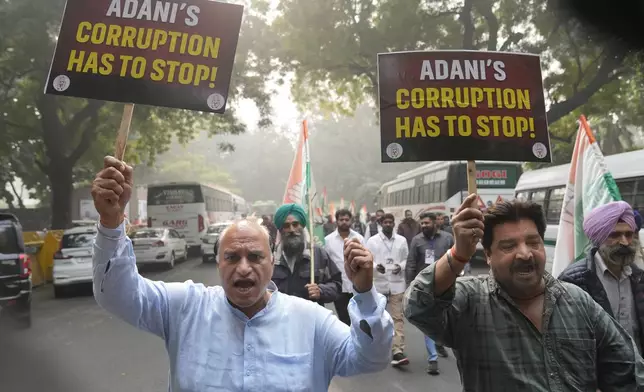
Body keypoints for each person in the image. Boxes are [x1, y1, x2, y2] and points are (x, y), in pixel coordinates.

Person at [91, 156, 394, 391]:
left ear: (270, 260)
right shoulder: (186, 308)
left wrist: (365, 294)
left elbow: (371, 358)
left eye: (255, 256)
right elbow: (117, 294)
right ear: (218, 262)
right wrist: (111, 220)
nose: (244, 267)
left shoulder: (311, 321)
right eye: (232, 257)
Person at [404, 194, 644, 391]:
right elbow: (418, 307)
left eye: (533, 242)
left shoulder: (577, 300)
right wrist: (458, 255)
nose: (525, 254)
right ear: (487, 255)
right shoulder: (471, 301)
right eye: (508, 246)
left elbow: (626, 366)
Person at [559, 201, 644, 353]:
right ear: (599, 238)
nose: (624, 242)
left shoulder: (639, 277)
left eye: (629, 235)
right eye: (615, 235)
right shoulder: (575, 281)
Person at [405, 211, 453, 375]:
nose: (424, 225)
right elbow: (411, 263)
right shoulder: (417, 240)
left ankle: (440, 340)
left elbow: (459, 258)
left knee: (447, 318)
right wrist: (410, 284)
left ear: (435, 223)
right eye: (422, 223)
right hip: (424, 287)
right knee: (428, 320)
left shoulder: (447, 238)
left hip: (447, 284)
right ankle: (433, 358)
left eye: (427, 223)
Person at [270, 203, 342, 305]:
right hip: (281, 318)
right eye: (286, 226)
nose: (292, 230)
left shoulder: (318, 254)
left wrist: (321, 290)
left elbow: (337, 285)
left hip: (312, 318)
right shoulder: (271, 257)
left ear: (302, 226)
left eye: (295, 224)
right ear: (281, 230)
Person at [366, 213, 410, 367]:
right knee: (377, 318)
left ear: (394, 224)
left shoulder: (402, 240)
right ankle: (376, 347)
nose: (388, 224)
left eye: (391, 222)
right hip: (379, 284)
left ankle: (398, 350)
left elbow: (406, 258)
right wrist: (375, 267)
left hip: (397, 284)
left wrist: (401, 266)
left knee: (398, 318)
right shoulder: (373, 241)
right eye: (385, 222)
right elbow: (368, 259)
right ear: (380, 223)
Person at [325, 209, 365, 326]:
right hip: (339, 286)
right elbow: (327, 262)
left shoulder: (359, 238)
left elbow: (364, 259)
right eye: (341, 220)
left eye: (347, 220)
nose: (344, 222)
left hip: (356, 284)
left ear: (351, 221)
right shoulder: (328, 240)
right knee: (343, 319)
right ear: (336, 221)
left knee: (358, 318)